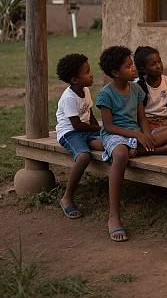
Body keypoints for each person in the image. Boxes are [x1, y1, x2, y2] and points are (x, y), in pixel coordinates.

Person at [96, 46, 167, 242]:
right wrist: (136, 135)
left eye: (132, 65)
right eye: (128, 66)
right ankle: (114, 216)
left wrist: (146, 134)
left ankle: (146, 148)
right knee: (121, 154)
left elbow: (142, 119)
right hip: (115, 134)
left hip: (136, 134)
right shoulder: (105, 94)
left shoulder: (136, 89)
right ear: (115, 72)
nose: (133, 69)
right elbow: (108, 126)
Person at [55, 53, 102, 219]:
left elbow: (89, 113)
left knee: (106, 144)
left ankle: (88, 143)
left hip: (85, 130)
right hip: (70, 132)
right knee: (83, 157)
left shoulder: (85, 90)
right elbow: (76, 125)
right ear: (75, 79)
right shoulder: (69, 97)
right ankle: (67, 198)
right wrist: (96, 128)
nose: (91, 74)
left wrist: (100, 130)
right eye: (87, 72)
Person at [134, 45, 167, 147]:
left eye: (159, 61)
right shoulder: (137, 85)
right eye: (153, 64)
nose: (159, 66)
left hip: (164, 123)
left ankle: (164, 140)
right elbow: (139, 115)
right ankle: (164, 141)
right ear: (143, 69)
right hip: (146, 124)